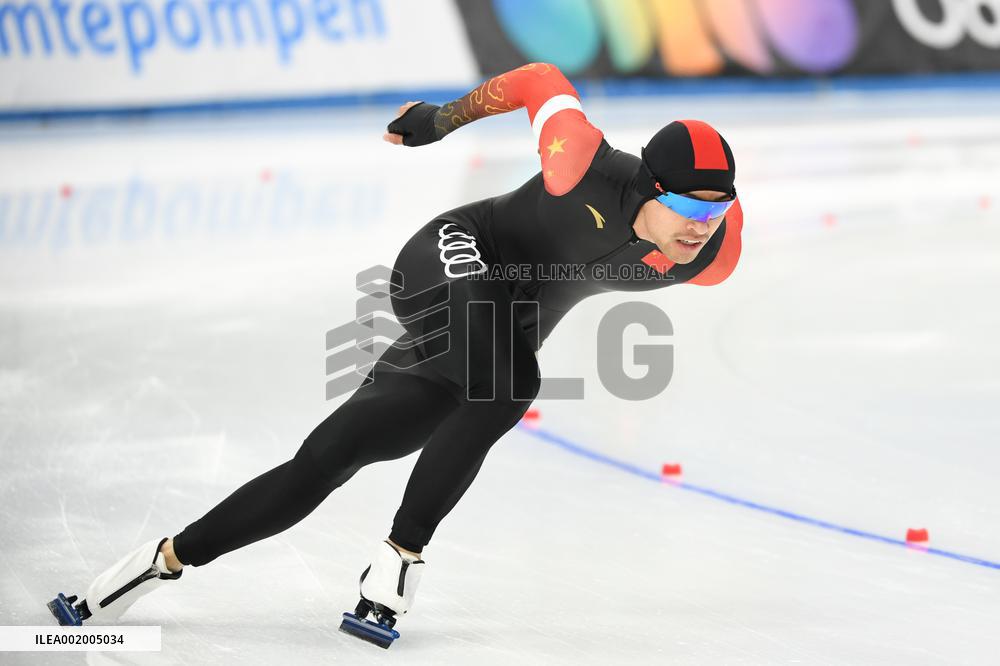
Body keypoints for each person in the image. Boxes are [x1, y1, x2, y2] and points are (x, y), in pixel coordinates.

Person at [48, 63, 743, 647]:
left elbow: (713, 228)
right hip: (450, 257)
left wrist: (712, 223)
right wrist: (439, 120)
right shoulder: (579, 162)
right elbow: (540, 80)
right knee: (510, 384)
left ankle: (158, 561)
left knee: (328, 458)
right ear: (649, 187)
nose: (700, 229)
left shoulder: (711, 255)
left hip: (485, 341)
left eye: (716, 213)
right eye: (690, 209)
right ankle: (399, 559)